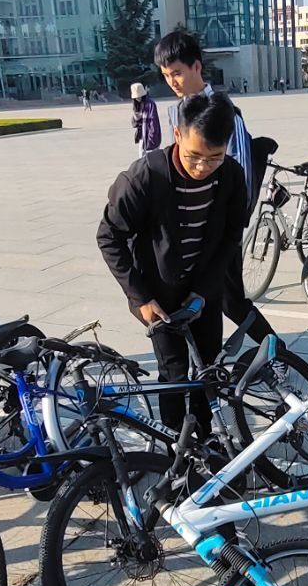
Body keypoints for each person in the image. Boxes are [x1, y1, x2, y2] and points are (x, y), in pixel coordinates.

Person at [97, 92, 246, 432]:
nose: (202, 167)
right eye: (194, 156)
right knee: (174, 373)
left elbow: (231, 237)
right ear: (177, 134)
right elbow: (109, 236)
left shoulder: (231, 176)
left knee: (208, 367)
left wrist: (204, 292)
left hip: (204, 288)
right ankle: (175, 444)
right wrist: (140, 297)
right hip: (158, 294)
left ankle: (204, 439)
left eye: (214, 157)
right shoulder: (144, 177)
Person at [155, 29, 276, 344]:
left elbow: (242, 177)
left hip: (218, 231)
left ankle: (277, 354)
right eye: (166, 75)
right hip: (190, 230)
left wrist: (229, 229)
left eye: (177, 72)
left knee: (231, 301)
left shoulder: (225, 113)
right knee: (200, 298)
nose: (172, 81)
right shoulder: (176, 112)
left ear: (196, 66)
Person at [131, 82, 161, 153]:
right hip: (142, 135)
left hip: (151, 135)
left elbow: (153, 122)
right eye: (136, 97)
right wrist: (136, 119)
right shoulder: (137, 105)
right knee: (142, 154)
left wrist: (152, 137)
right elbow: (135, 124)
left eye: (139, 96)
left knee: (153, 156)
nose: (138, 98)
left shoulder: (150, 104)